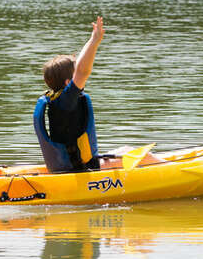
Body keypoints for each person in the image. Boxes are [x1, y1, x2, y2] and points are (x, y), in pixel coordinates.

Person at [33, 17, 165, 173]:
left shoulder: (58, 101)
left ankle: (172, 167)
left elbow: (79, 67)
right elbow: (82, 71)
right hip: (80, 168)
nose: (81, 71)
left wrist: (91, 40)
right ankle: (176, 171)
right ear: (69, 82)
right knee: (144, 156)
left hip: (73, 164)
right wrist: (95, 42)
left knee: (127, 149)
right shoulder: (66, 101)